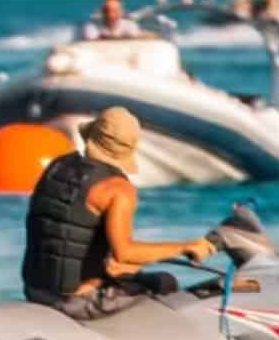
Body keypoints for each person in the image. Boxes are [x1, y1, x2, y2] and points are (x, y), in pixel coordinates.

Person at [21, 107, 217, 320]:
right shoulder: (118, 190)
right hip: (78, 302)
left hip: (34, 290)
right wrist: (186, 246)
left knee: (129, 274)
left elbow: (66, 233)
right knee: (165, 282)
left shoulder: (57, 166)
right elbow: (124, 253)